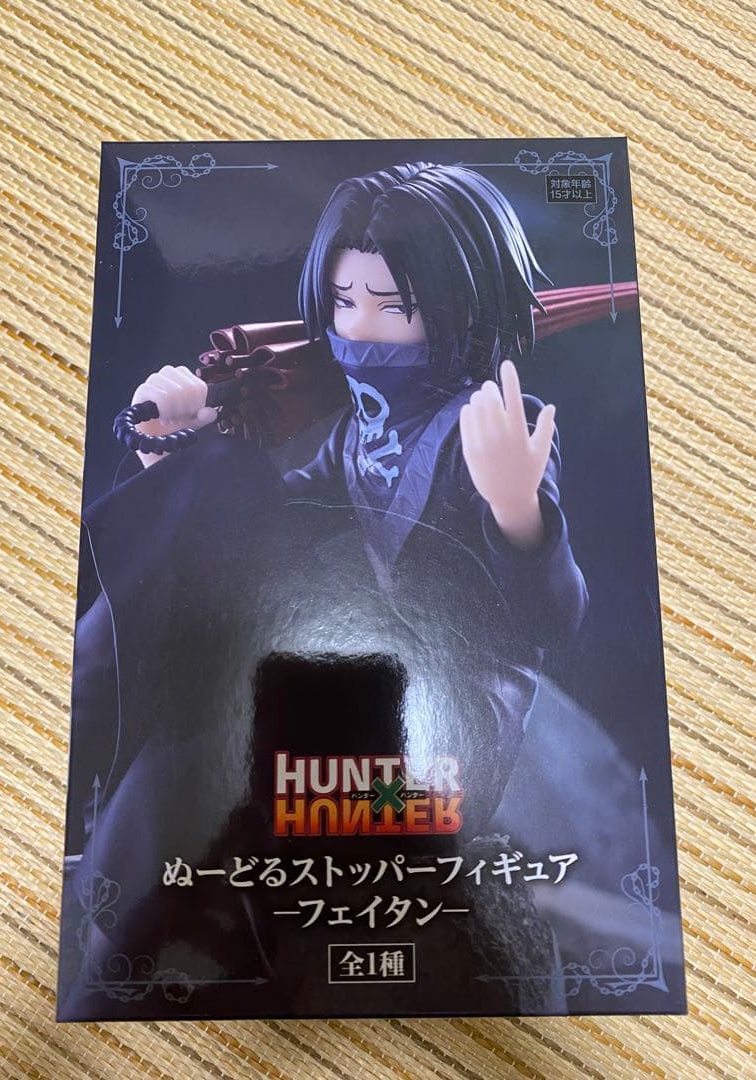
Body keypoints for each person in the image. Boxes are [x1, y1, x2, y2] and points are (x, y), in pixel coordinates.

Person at [62, 163, 588, 1018]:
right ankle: (111, 929)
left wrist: (519, 513)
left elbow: (552, 620)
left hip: (439, 746)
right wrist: (178, 444)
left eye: (394, 308)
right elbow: (274, 520)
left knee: (215, 743)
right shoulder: (356, 431)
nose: (360, 330)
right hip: (346, 694)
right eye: (344, 304)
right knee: (185, 749)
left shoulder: (499, 425)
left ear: (458, 305)